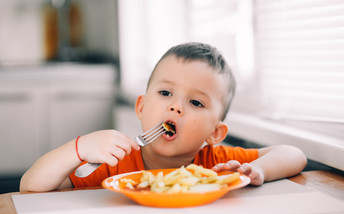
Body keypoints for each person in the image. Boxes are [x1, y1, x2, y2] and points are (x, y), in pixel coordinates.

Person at [20, 42, 307, 192]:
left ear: (214, 134)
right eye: (166, 93)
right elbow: (31, 186)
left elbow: (293, 154)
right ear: (142, 107)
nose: (176, 108)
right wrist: (79, 148)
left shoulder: (218, 164)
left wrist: (258, 171)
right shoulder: (116, 165)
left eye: (195, 102)